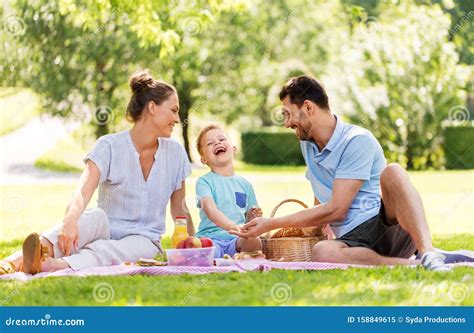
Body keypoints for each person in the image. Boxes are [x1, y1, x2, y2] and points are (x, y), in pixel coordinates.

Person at [231, 75, 473, 271]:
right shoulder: (307, 143)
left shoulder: (356, 140)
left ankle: (428, 252)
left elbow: (337, 208)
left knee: (394, 172)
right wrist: (314, 230)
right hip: (352, 241)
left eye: (287, 113)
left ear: (308, 107)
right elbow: (321, 194)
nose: (286, 123)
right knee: (322, 252)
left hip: (382, 227)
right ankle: (417, 265)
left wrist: (269, 223)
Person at [0, 70, 194, 275]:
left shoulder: (175, 154)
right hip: (105, 228)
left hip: (144, 239)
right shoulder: (109, 146)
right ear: (152, 107)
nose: (176, 118)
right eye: (173, 110)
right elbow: (83, 191)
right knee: (93, 217)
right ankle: (17, 261)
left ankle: (54, 265)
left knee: (118, 249)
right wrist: (70, 220)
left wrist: (196, 245)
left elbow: (180, 210)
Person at [194, 124, 262, 258]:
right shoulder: (204, 182)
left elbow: (248, 219)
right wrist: (234, 227)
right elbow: (211, 212)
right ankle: (218, 256)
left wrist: (254, 216)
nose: (217, 143)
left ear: (234, 148)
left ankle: (238, 256)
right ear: (204, 159)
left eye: (222, 139)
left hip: (237, 240)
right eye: (210, 143)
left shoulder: (245, 185)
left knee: (255, 241)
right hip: (211, 238)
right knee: (204, 248)